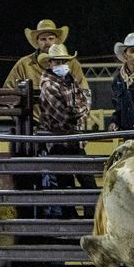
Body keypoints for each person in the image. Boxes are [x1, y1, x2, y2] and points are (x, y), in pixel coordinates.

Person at [37, 44, 94, 219]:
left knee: (87, 182)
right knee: (66, 183)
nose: (61, 64)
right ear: (50, 63)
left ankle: (89, 220)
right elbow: (68, 114)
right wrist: (83, 108)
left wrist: (81, 108)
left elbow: (82, 102)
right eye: (57, 61)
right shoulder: (48, 85)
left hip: (74, 140)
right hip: (59, 141)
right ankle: (72, 223)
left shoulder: (69, 79)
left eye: (63, 60)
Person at [3, 19, 89, 121]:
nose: (47, 43)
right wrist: (20, 118)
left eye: (50, 38)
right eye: (43, 39)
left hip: (66, 125)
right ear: (37, 42)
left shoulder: (73, 64)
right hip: (33, 126)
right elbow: (8, 94)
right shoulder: (24, 64)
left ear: (56, 40)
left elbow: (84, 93)